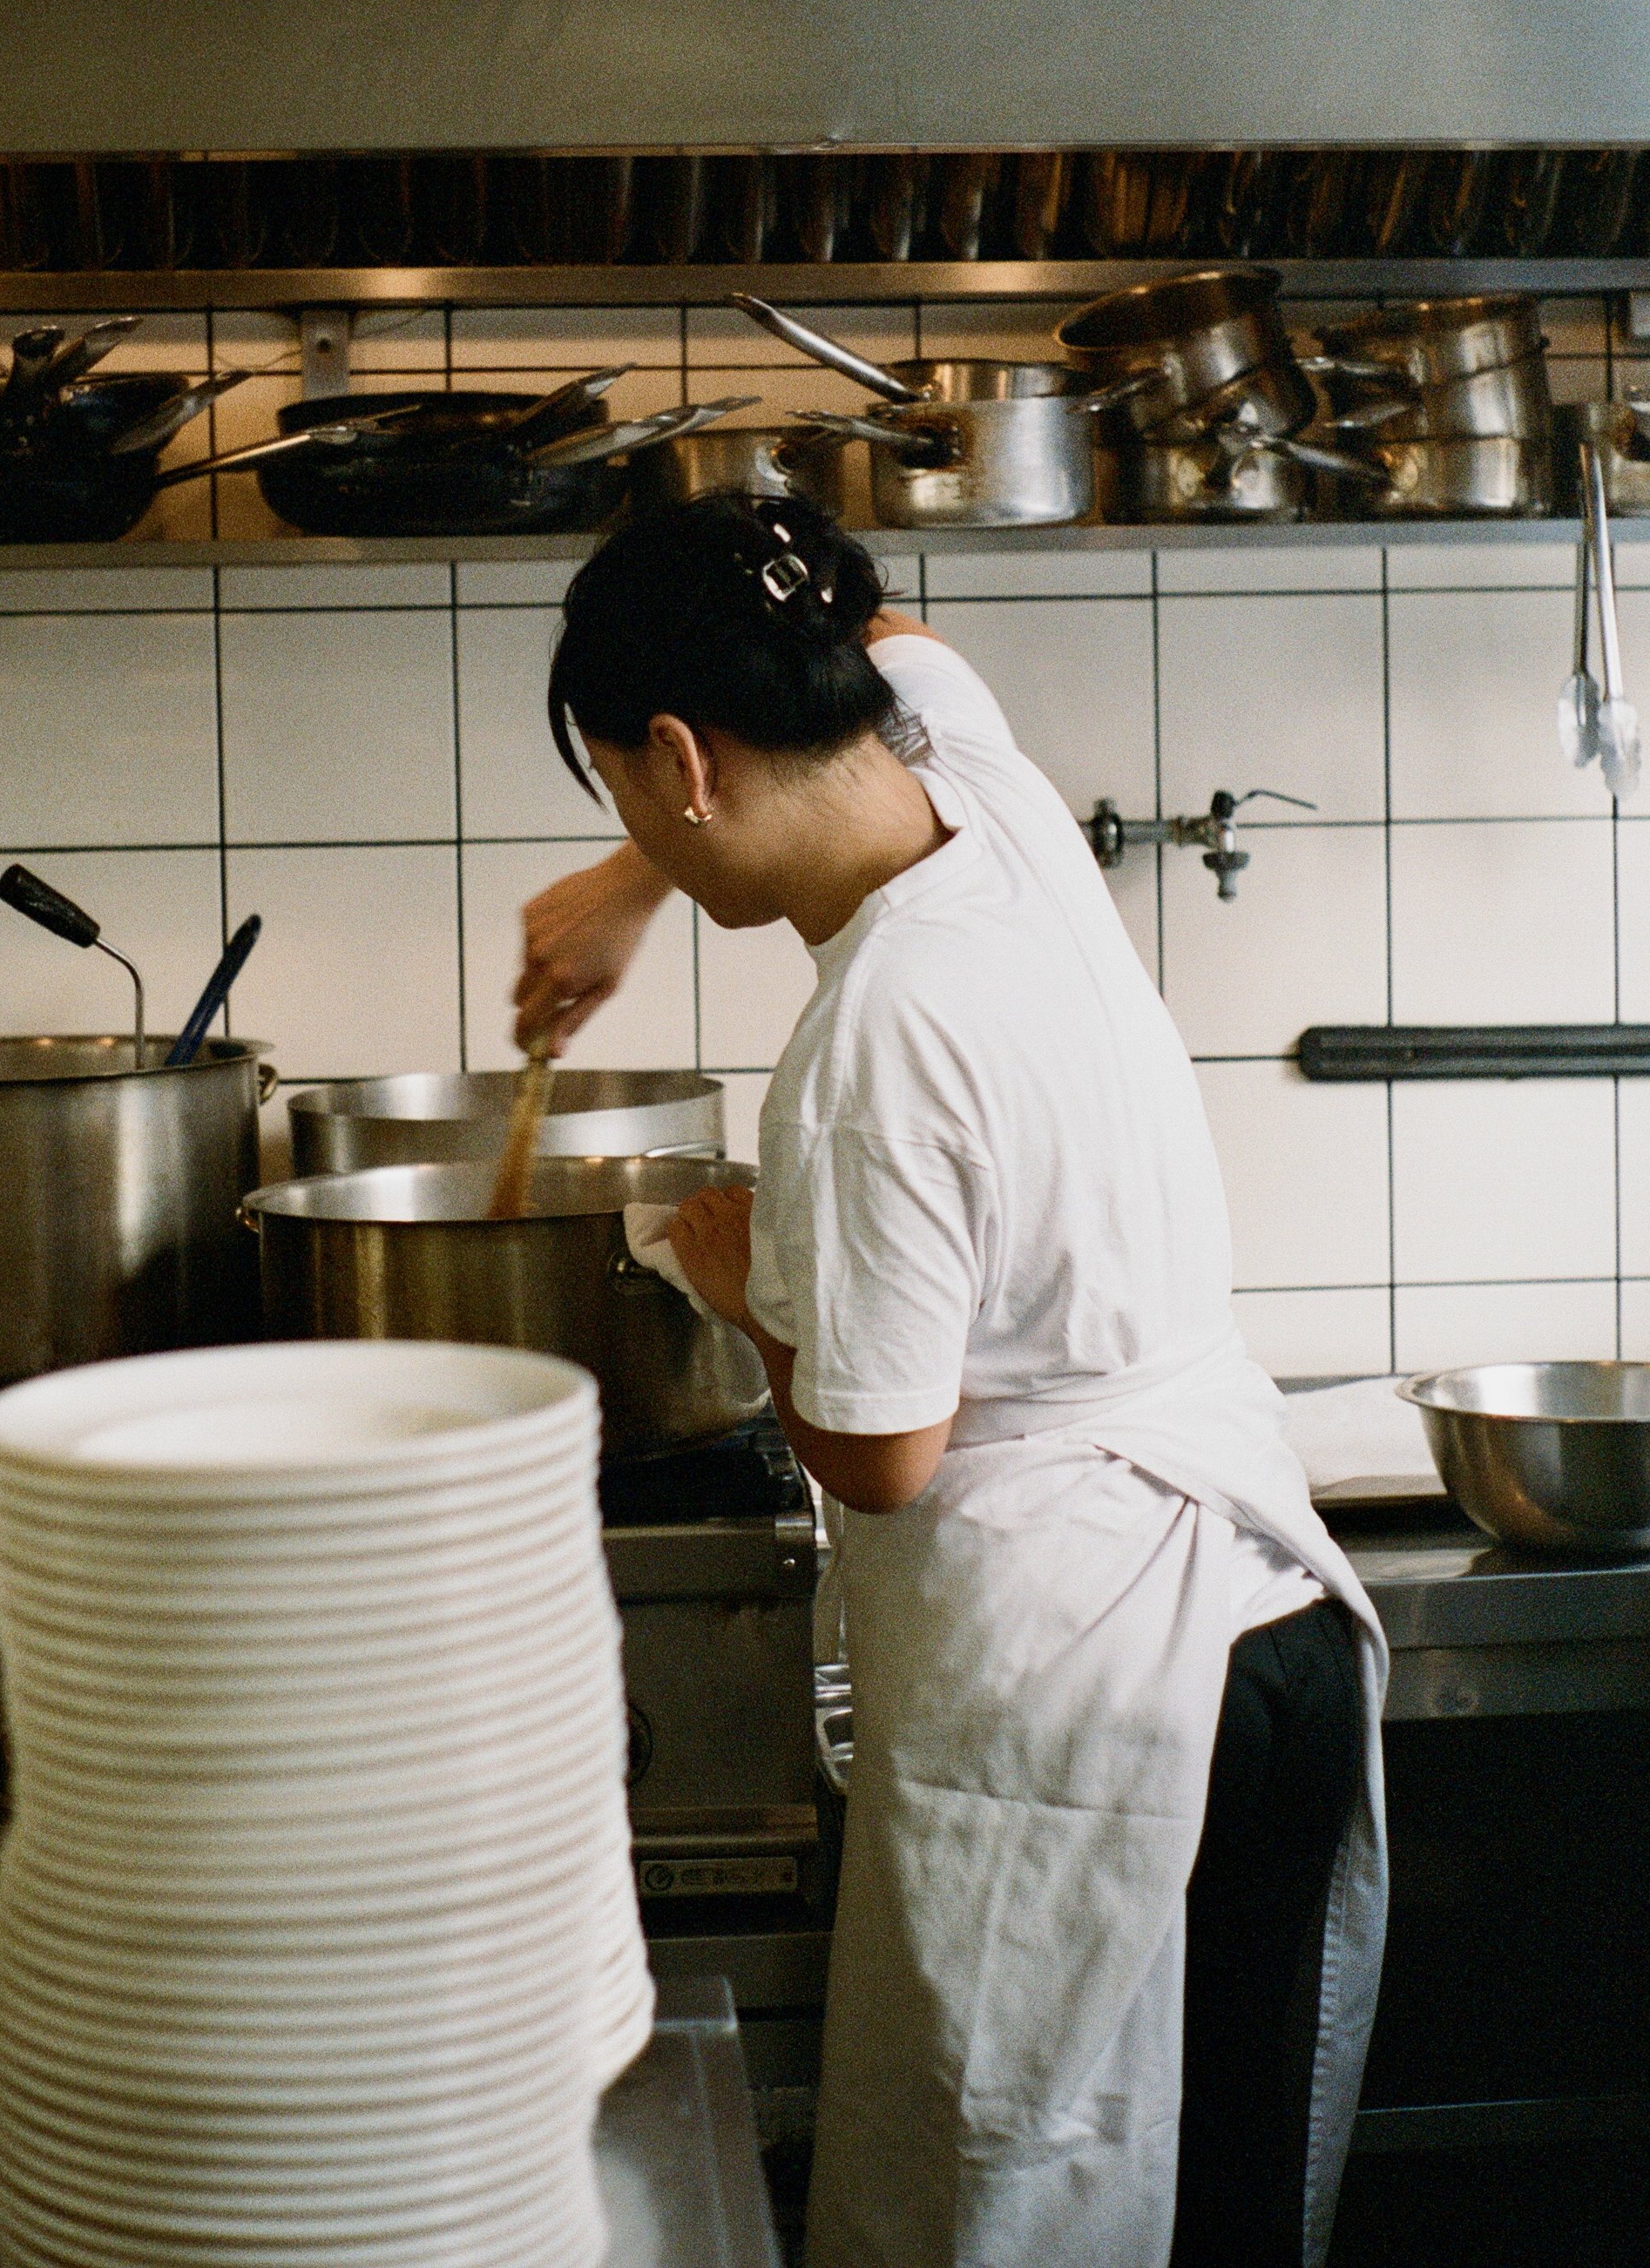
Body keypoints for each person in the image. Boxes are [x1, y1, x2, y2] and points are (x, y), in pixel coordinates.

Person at [513, 491, 1388, 2268]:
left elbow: (882, 1449)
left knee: (1042, 2192)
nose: (643, 840)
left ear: (684, 756)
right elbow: (889, 627)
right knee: (1229, 2202)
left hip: (1101, 1698)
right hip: (1269, 1620)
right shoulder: (975, 790)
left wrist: (744, 1277)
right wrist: (628, 881)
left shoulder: (871, 1037)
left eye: (622, 792)